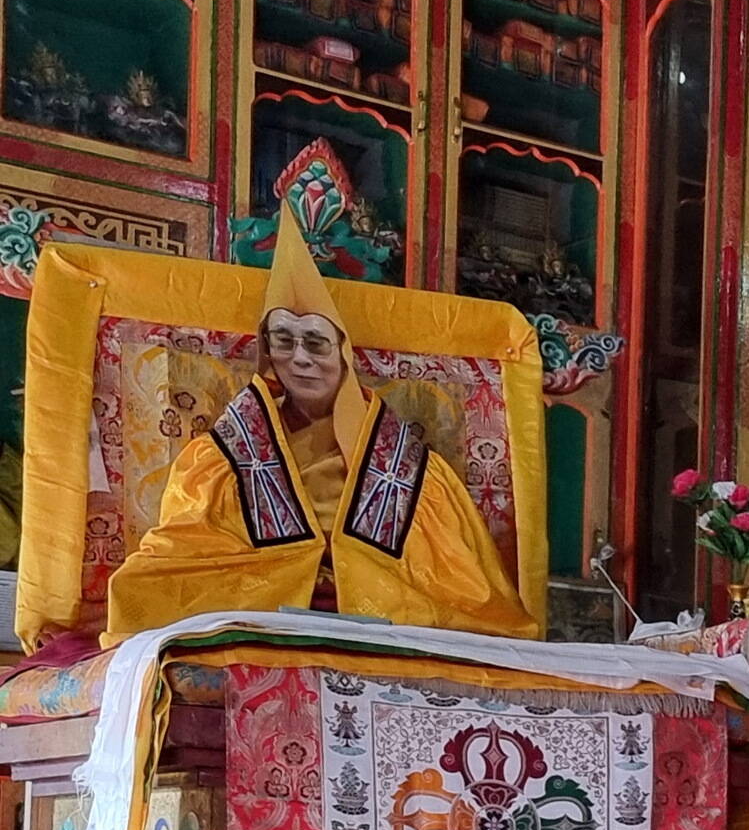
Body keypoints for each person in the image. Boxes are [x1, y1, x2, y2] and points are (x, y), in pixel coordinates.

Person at [104, 205, 537, 642]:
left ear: (343, 353)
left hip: (379, 624)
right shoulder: (219, 458)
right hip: (259, 616)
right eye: (284, 342)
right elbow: (187, 552)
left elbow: (458, 583)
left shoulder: (412, 470)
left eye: (316, 343)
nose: (301, 359)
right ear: (268, 354)